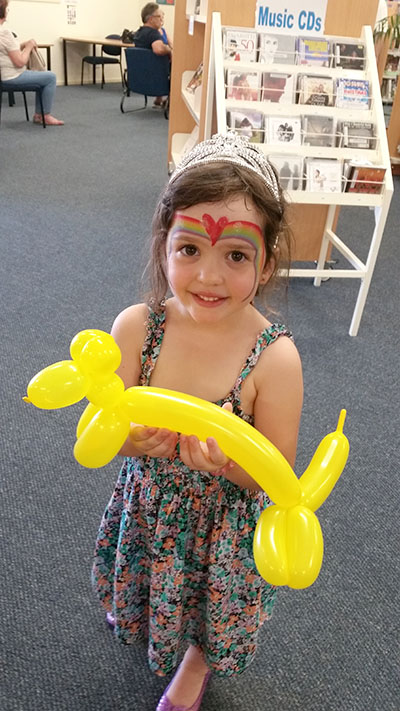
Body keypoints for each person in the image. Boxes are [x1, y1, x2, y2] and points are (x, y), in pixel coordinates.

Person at [92, 132, 303, 711]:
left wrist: (229, 463)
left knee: (210, 601)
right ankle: (143, 613)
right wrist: (132, 441)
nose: (209, 276)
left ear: (266, 264)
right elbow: (105, 433)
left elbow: (277, 477)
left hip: (222, 525)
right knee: (150, 582)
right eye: (189, 248)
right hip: (151, 504)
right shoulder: (136, 329)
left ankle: (196, 660)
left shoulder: (275, 359)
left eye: (236, 255)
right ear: (164, 244)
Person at [0, 0, 63, 126]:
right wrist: (28, 47)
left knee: (42, 77)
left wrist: (23, 45)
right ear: (3, 11)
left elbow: (9, 50)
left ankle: (40, 115)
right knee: (50, 77)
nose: (8, 11)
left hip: (4, 76)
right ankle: (44, 115)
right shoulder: (5, 33)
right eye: (7, 9)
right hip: (13, 77)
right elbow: (20, 62)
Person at [133, 2, 172, 109]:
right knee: (178, 67)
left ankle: (160, 99)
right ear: (151, 19)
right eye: (159, 17)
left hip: (142, 74)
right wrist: (169, 50)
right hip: (156, 74)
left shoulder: (138, 33)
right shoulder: (153, 33)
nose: (161, 19)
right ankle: (172, 100)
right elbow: (159, 49)